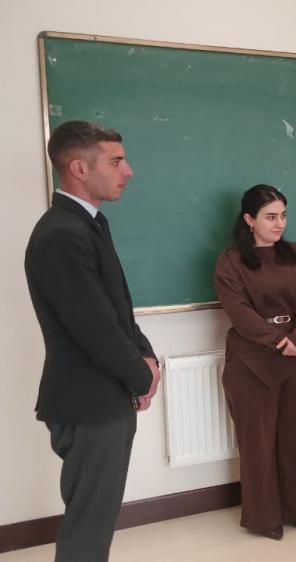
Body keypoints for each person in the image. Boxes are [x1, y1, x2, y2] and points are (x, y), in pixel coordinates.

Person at [24, 120, 161, 562]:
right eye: (116, 161)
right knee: (88, 528)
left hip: (104, 398)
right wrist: (141, 376)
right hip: (89, 404)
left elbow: (117, 308)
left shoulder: (87, 224)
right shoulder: (62, 234)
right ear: (79, 168)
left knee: (95, 523)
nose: (129, 171)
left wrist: (147, 357)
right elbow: (95, 328)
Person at [213, 185, 296, 539]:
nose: (280, 224)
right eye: (271, 217)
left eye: (283, 216)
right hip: (253, 362)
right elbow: (239, 312)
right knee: (258, 441)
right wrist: (278, 341)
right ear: (249, 219)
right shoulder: (230, 262)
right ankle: (264, 518)